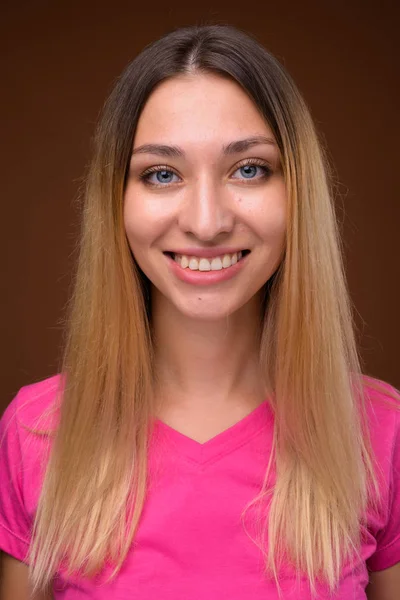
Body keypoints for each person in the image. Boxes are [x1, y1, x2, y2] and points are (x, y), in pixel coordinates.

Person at [0, 23, 399, 600]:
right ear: (117, 201)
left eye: (249, 169)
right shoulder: (37, 434)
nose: (206, 222)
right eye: (162, 174)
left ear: (298, 193)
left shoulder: (379, 431)